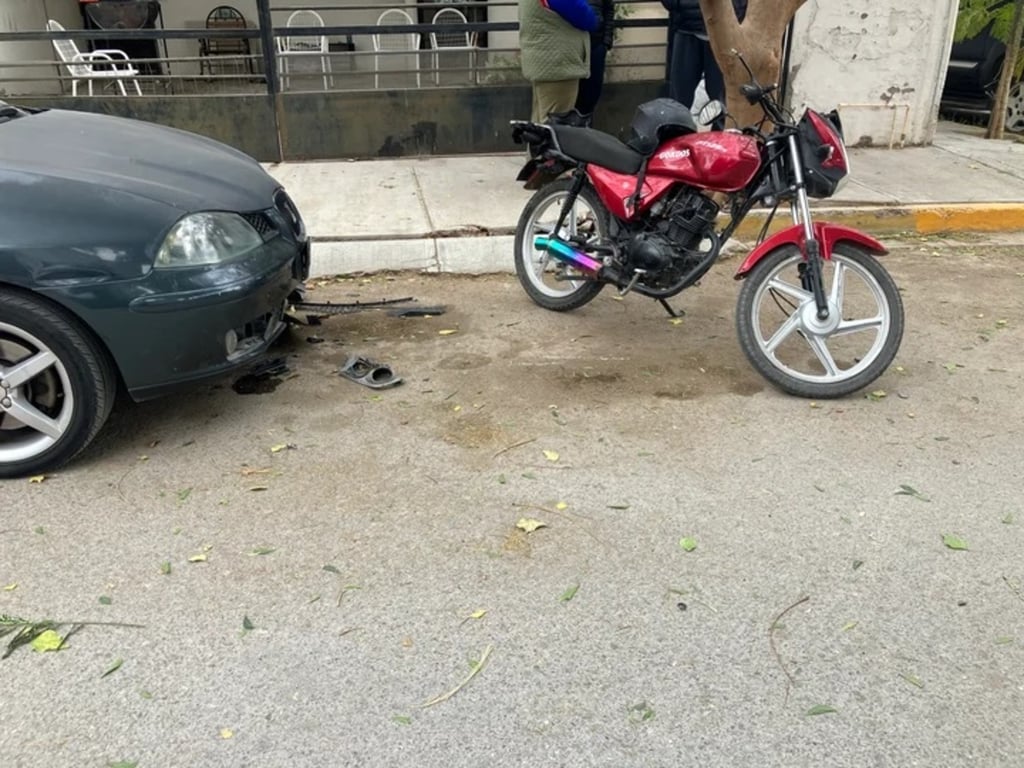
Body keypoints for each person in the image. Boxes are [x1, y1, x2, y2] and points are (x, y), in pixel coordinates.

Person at [660, 0, 747, 126]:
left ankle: (720, 143)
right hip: (687, 30)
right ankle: (675, 139)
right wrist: (683, 6)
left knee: (723, 104)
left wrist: (734, 11)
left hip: (723, 33)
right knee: (678, 102)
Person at [519, 0, 599, 124]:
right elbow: (586, 18)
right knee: (556, 127)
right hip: (559, 66)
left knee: (539, 127)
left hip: (544, 63)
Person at [574, 0, 616, 126]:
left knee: (591, 96)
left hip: (596, 46)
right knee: (572, 98)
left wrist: (606, 41)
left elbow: (609, 10)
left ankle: (587, 132)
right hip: (574, 48)